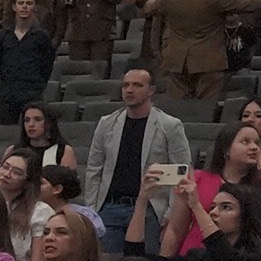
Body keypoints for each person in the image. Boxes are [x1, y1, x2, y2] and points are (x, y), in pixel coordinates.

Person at [81, 68, 191, 232]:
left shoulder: (170, 125)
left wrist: (171, 214)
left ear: (151, 90)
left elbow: (181, 171)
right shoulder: (106, 123)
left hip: (152, 209)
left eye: (137, 85)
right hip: (110, 207)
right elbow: (94, 169)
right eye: (125, 85)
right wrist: (92, 210)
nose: (129, 90)